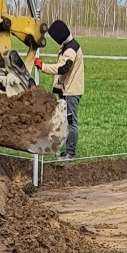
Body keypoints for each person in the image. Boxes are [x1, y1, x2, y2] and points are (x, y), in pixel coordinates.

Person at [38, 18, 84, 158]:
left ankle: (70, 154)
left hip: (71, 92)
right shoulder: (68, 45)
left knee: (71, 123)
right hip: (66, 90)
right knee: (65, 121)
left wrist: (43, 66)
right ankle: (66, 150)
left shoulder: (71, 49)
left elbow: (63, 67)